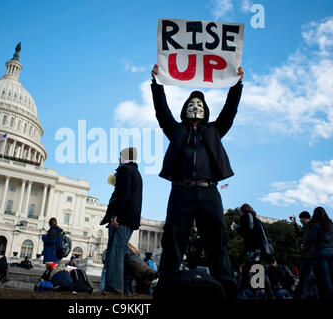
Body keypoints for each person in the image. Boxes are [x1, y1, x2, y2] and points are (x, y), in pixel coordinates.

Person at [150, 64, 244, 298]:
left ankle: (228, 288)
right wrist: (156, 83)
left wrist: (237, 84)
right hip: (180, 191)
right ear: (185, 110)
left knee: (217, 241)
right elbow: (162, 112)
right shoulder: (176, 130)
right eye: (191, 104)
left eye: (199, 105)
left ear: (205, 111)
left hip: (209, 191)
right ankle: (165, 287)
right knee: (173, 240)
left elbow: (230, 110)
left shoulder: (214, 130)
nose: (195, 107)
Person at [100, 147, 143, 294]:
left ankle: (113, 287)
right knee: (122, 252)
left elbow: (122, 194)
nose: (119, 159)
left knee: (115, 253)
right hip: (130, 218)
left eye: (120, 156)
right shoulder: (136, 173)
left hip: (122, 218)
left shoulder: (125, 171)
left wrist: (115, 215)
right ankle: (144, 272)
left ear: (125, 157)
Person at [308, 206, 333, 300]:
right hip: (332, 251)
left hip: (321, 252)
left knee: (326, 278)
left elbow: (312, 239)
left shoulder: (315, 225)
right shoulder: (331, 224)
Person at [290, 211, 315, 299]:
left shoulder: (311, 226)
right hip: (306, 253)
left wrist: (304, 244)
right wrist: (295, 223)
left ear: (305, 218)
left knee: (304, 273)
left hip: (308, 253)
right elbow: (300, 234)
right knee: (304, 273)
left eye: (301, 219)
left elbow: (308, 237)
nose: (300, 221)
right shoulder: (307, 227)